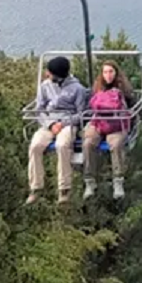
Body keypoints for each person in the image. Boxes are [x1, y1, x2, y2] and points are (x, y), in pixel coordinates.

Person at [27, 56, 88, 204]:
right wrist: (50, 124)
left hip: (68, 124)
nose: (48, 75)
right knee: (35, 146)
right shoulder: (45, 86)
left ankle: (64, 189)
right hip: (49, 122)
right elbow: (39, 109)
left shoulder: (77, 89)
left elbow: (81, 114)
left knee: (62, 145)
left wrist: (64, 123)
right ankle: (36, 187)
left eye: (50, 73)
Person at [81, 59, 136, 200]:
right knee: (88, 143)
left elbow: (131, 107)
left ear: (116, 72)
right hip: (99, 122)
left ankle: (118, 181)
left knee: (116, 145)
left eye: (111, 71)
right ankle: (90, 180)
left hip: (117, 124)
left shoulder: (124, 89)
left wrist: (130, 124)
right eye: (105, 72)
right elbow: (91, 106)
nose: (108, 75)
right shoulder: (98, 87)